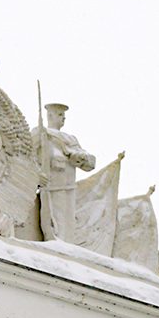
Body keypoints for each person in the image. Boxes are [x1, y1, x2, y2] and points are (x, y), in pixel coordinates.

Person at [32, 103, 95, 243]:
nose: (63, 118)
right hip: (52, 187)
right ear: (50, 116)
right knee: (55, 220)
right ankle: (56, 241)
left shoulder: (70, 139)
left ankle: (66, 244)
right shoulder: (41, 133)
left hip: (69, 188)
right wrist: (36, 174)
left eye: (64, 115)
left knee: (68, 221)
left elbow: (90, 163)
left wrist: (80, 158)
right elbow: (28, 157)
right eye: (60, 115)